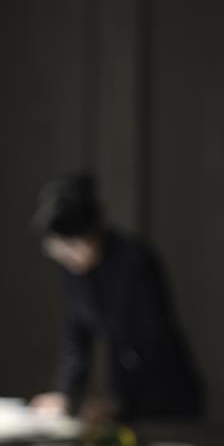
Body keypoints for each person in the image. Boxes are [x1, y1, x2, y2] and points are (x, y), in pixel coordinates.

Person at [29, 174, 205, 427]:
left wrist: (117, 400)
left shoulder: (133, 261)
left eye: (71, 247)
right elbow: (76, 336)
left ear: (91, 237)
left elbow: (151, 338)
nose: (66, 257)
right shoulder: (73, 272)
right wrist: (64, 394)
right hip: (124, 394)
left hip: (163, 392)